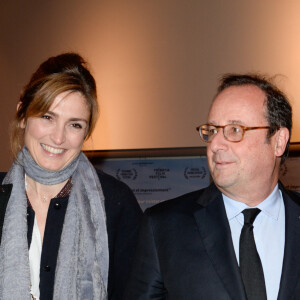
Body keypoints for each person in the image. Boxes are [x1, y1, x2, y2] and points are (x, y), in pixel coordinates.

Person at [124, 74, 300, 300]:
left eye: (235, 130)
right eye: (212, 130)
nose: (215, 144)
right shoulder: (164, 227)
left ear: (278, 141)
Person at [0, 53, 142, 300]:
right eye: (47, 117)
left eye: (74, 124)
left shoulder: (116, 203)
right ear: (22, 114)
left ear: (86, 131)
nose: (58, 138)